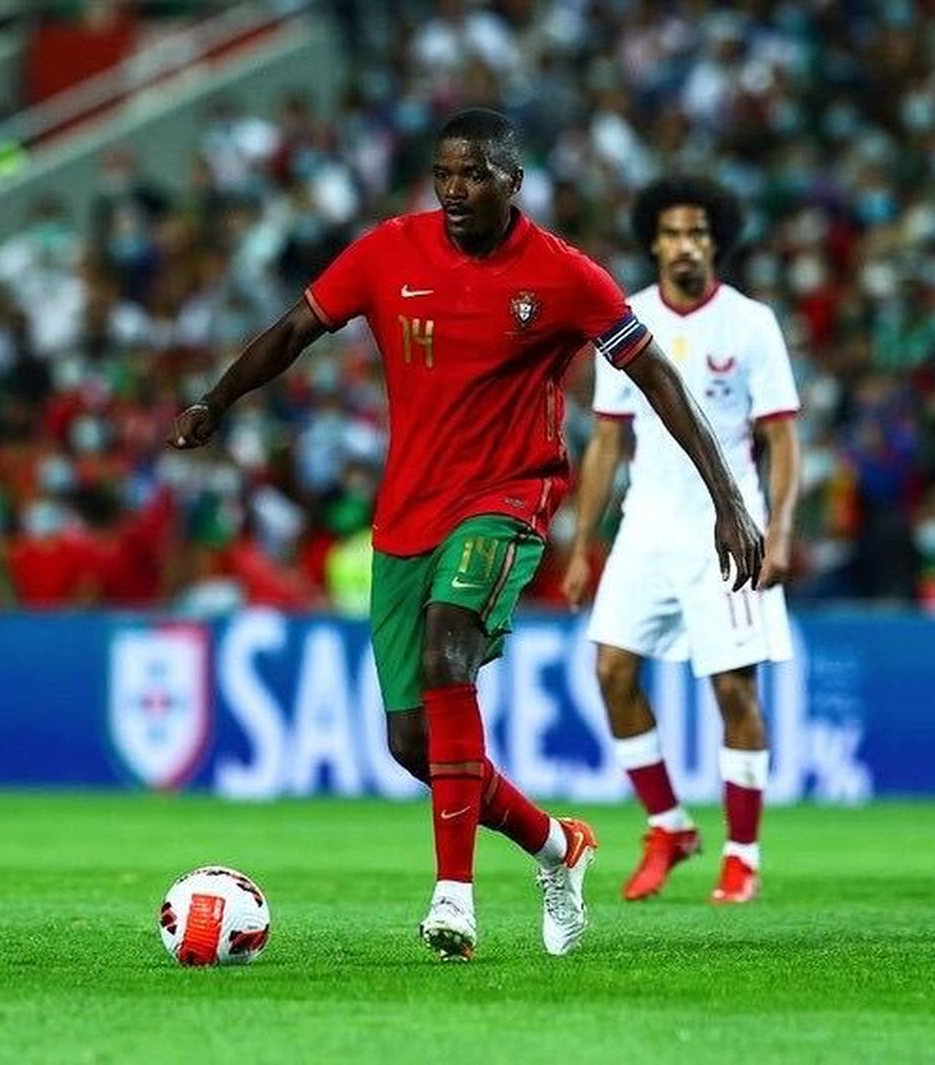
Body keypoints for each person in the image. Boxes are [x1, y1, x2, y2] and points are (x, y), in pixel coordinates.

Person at [169, 110, 763, 961]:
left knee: (452, 642)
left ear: (512, 182)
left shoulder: (564, 276)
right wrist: (217, 401)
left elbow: (656, 378)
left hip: (508, 496)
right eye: (445, 173)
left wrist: (727, 498)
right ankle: (559, 846)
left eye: (475, 174)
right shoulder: (388, 251)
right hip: (408, 511)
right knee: (414, 742)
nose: (456, 190)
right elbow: (297, 328)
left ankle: (454, 897)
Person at [563, 175, 800, 906]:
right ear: (653, 242)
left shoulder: (750, 323)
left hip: (726, 525)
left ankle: (743, 855)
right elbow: (607, 440)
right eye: (671, 233)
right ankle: (668, 825)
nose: (685, 245)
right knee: (611, 672)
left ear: (715, 240)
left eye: (698, 232)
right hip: (647, 523)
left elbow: (781, 438)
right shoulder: (624, 316)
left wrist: (779, 530)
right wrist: (581, 544)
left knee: (734, 687)